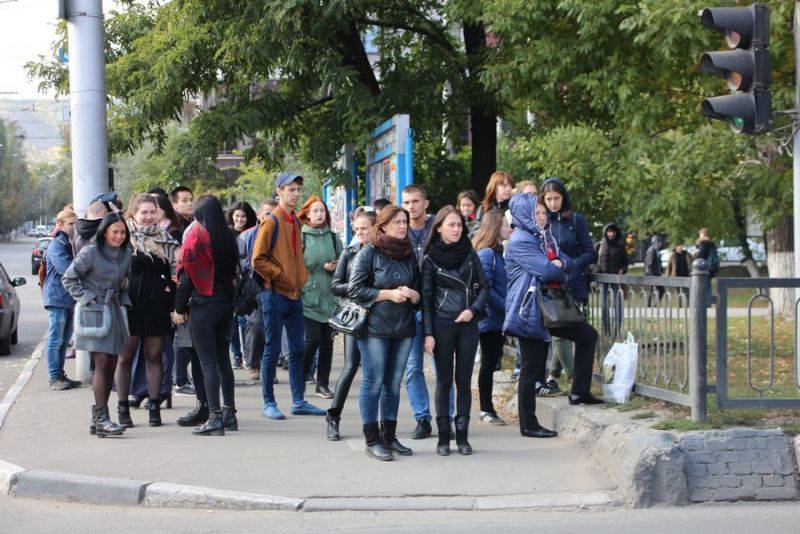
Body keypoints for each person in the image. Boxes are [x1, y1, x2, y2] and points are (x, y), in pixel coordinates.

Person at [504, 193, 603, 440]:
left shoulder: (544, 237)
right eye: (536, 213)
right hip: (529, 309)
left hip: (550, 306)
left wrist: (558, 264)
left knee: (587, 335)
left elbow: (568, 263)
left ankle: (580, 392)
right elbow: (548, 271)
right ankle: (528, 424)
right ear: (524, 215)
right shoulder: (521, 240)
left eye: (543, 212)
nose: (542, 216)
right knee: (531, 367)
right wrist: (557, 265)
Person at [348, 205, 421, 461]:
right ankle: (372, 440)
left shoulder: (410, 254)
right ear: (383, 226)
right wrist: (387, 294)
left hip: (404, 328)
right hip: (374, 329)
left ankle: (389, 436)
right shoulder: (369, 252)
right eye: (397, 222)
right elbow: (355, 290)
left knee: (393, 384)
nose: (402, 226)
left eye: (405, 222)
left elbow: (420, 294)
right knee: (373, 382)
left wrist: (413, 294)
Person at [252, 173, 326, 419]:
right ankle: (268, 402)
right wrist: (281, 276)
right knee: (272, 349)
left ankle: (298, 400)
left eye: (297, 189)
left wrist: (299, 278)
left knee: (296, 350)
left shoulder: (294, 220)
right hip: (274, 294)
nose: (295, 194)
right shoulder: (271, 221)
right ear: (279, 191)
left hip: (295, 295)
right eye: (290, 189)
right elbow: (257, 260)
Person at [422, 206, 489, 456]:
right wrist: (428, 333)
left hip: (467, 324)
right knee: (443, 382)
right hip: (442, 324)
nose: (456, 229)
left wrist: (473, 310)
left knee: (463, 381)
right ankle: (443, 437)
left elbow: (485, 286)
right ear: (439, 227)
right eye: (451, 224)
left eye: (459, 225)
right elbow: (426, 299)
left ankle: (462, 437)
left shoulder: (470, 252)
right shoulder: (430, 259)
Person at [172, 194, 239, 436]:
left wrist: (179, 309)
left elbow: (185, 279)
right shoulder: (228, 237)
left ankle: (214, 418)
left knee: (207, 363)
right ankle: (229, 413)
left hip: (202, 305)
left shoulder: (196, 239)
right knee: (223, 362)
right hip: (225, 304)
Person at [62, 212, 133, 438]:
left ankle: (97, 418)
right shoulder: (91, 252)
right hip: (94, 313)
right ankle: (103, 419)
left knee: (112, 363)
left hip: (115, 310)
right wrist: (88, 298)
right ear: (104, 232)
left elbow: (125, 283)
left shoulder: (126, 253)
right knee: (102, 363)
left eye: (123, 232)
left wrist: (124, 303)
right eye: (115, 232)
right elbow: (69, 278)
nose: (119, 236)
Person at [115, 194, 180, 428]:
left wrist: (170, 290)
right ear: (133, 214)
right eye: (144, 212)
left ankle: (154, 406)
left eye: (153, 212)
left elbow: (177, 271)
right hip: (128, 303)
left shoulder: (166, 239)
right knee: (125, 357)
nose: (149, 216)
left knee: (154, 356)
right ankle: (123, 407)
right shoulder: (122, 237)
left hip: (157, 304)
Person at [539, 178, 596, 395]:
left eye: (557, 198)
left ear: (563, 198)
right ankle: (575, 379)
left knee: (569, 331)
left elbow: (589, 251)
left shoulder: (576, 220)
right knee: (560, 334)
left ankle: (553, 377)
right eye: (549, 199)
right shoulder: (541, 222)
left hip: (573, 282)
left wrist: (569, 264)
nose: (553, 203)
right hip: (552, 286)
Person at [326, 210, 376, 440]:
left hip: (379, 317)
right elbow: (336, 286)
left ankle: (377, 424)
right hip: (355, 316)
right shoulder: (350, 252)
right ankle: (333, 417)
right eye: (356, 229)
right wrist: (357, 288)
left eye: (364, 228)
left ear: (376, 228)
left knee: (377, 372)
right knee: (350, 366)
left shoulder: (382, 253)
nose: (359, 232)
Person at [297, 196, 343, 399]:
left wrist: (336, 266)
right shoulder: (301, 237)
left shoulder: (333, 237)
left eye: (322, 210)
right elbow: (296, 265)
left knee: (327, 343)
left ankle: (322, 384)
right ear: (307, 214)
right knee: (312, 339)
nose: (319, 214)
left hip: (330, 298)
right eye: (315, 211)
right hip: (308, 297)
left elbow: (344, 263)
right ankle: (300, 378)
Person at [400, 184, 436, 439]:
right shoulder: (400, 232)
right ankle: (422, 418)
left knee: (442, 367)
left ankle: (448, 418)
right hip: (409, 309)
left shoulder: (437, 228)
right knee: (413, 368)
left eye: (415, 201)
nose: (410, 207)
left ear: (425, 203)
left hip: (436, 308)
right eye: (406, 202)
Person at [472, 209, 512, 425]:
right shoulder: (487, 254)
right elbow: (485, 289)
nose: (509, 228)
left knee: (492, 362)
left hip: (497, 319)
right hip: (489, 319)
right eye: (506, 225)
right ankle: (486, 409)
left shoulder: (497, 254)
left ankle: (487, 408)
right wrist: (506, 308)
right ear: (496, 228)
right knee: (488, 364)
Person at [43, 209, 81, 391]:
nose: (74, 227)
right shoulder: (56, 245)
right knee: (56, 339)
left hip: (69, 297)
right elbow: (65, 268)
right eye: (70, 224)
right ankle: (54, 377)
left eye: (76, 223)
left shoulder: (71, 243)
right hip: (57, 296)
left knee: (65, 341)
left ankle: (60, 374)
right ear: (60, 225)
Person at [241, 198, 278, 382]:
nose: (270, 218)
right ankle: (254, 365)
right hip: (254, 287)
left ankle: (269, 368)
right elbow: (239, 260)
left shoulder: (282, 235)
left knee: (273, 328)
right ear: (259, 215)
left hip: (277, 287)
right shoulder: (247, 235)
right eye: (267, 214)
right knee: (256, 326)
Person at [227, 201, 258, 370]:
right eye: (237, 216)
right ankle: (236, 356)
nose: (240, 219)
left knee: (246, 321)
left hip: (248, 284)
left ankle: (248, 355)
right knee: (232, 324)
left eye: (243, 216)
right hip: (231, 282)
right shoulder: (227, 234)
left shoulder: (254, 233)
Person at [592, 223, 629, 336]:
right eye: (609, 231)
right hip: (603, 281)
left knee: (617, 305)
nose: (611, 234)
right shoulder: (599, 246)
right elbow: (591, 262)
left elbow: (625, 262)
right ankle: (606, 329)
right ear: (605, 232)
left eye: (613, 232)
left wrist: (622, 270)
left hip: (616, 280)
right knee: (604, 305)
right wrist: (597, 269)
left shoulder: (620, 247)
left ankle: (617, 329)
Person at [470, 171, 515, 238]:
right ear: (495, 187)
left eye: (510, 186)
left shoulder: (514, 208)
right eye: (504, 186)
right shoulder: (484, 208)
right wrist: (492, 231)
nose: (508, 189)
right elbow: (473, 233)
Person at [694, 228, 718, 304]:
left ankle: (706, 303)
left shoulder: (704, 244)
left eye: (700, 234)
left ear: (703, 234)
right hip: (712, 267)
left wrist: (695, 254)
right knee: (708, 285)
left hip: (704, 267)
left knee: (705, 286)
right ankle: (708, 302)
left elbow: (700, 256)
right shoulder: (712, 244)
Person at [644, 234, 665, 306]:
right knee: (652, 290)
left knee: (660, 290)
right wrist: (651, 275)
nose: (661, 243)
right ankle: (649, 305)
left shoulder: (656, 250)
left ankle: (655, 305)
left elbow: (658, 262)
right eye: (659, 242)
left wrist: (661, 271)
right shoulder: (652, 250)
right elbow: (649, 263)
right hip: (652, 274)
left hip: (656, 273)